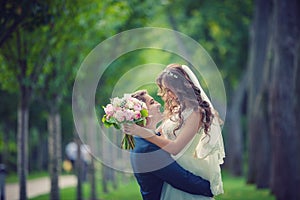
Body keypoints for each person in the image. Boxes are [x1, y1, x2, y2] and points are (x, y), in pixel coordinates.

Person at [124, 64, 225, 199]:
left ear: (181, 87)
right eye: (164, 90)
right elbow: (158, 134)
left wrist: (143, 133)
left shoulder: (195, 113)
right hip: (174, 172)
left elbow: (175, 147)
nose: (166, 95)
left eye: (168, 90)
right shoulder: (177, 110)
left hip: (189, 169)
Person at [129, 90, 213, 200]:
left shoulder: (144, 140)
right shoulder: (147, 149)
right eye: (152, 102)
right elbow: (182, 180)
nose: (159, 104)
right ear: (142, 113)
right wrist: (210, 188)